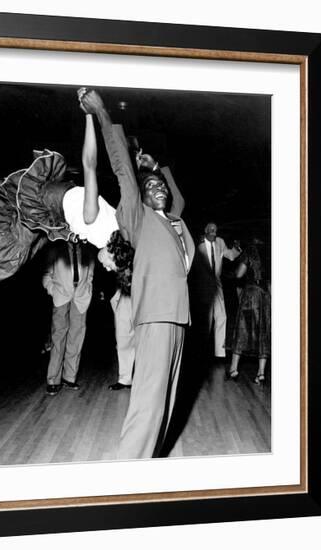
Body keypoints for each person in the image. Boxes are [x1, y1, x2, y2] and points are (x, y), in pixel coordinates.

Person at [0, 100, 129, 333]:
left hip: (54, 217)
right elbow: (89, 164)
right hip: (43, 201)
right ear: (113, 252)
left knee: (15, 257)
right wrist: (89, 115)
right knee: (7, 257)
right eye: (112, 267)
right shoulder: (94, 219)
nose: (107, 270)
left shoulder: (116, 231)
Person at [80, 88, 195, 459]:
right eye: (150, 187)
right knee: (149, 401)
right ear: (140, 199)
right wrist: (101, 112)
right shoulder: (138, 218)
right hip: (157, 315)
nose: (157, 188)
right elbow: (123, 170)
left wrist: (159, 166)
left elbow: (178, 200)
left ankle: (147, 465)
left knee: (167, 402)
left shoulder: (173, 219)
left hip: (179, 318)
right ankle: (128, 471)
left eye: (159, 185)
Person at [108, 163, 186, 391]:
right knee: (123, 337)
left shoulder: (163, 222)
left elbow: (178, 202)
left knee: (147, 343)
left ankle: (144, 381)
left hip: (151, 297)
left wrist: (157, 167)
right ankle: (125, 378)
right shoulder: (128, 221)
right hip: (126, 292)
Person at [42, 241, 95, 395]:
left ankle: (69, 378)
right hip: (60, 296)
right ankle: (53, 380)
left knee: (76, 338)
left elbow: (90, 274)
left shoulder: (87, 249)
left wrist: (88, 289)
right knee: (58, 338)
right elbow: (46, 274)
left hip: (81, 297)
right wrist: (53, 290)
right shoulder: (55, 247)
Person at [191, 222, 241, 359]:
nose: (214, 233)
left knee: (222, 316)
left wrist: (236, 248)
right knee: (206, 319)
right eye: (211, 230)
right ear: (205, 231)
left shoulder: (220, 242)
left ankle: (219, 353)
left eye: (216, 230)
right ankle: (202, 352)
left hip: (216, 284)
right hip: (202, 284)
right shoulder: (197, 244)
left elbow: (230, 255)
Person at [227, 239, 271, 384]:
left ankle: (233, 368)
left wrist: (232, 272)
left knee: (242, 329)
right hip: (265, 295)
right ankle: (261, 372)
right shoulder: (270, 251)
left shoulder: (250, 250)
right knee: (263, 331)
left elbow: (239, 274)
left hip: (251, 293)